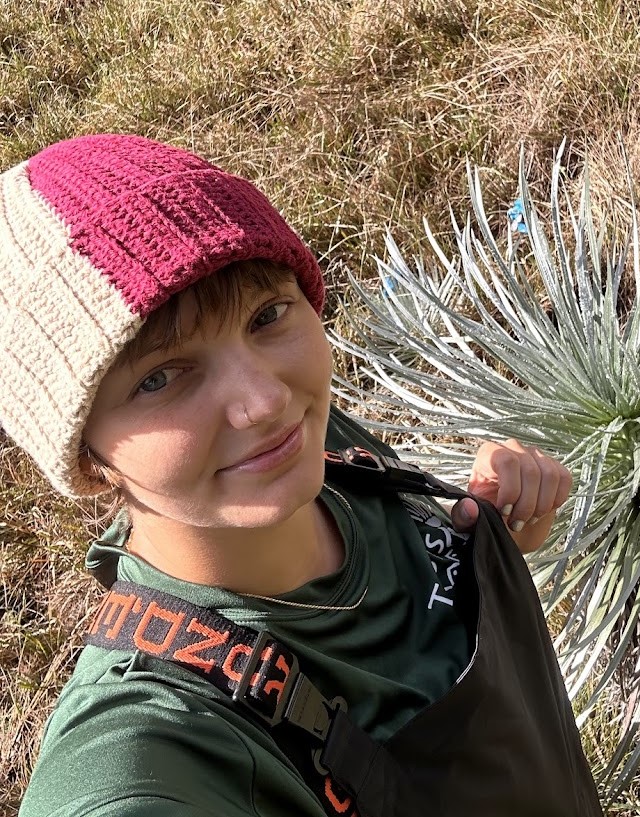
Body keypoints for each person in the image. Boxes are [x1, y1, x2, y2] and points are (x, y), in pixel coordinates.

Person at [2, 134, 602, 817]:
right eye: (161, 378)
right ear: (87, 455)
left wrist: (483, 535)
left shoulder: (314, 449)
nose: (263, 402)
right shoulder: (150, 750)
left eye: (266, 316)